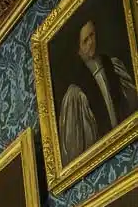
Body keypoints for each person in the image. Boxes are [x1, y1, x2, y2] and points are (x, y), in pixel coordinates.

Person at [58, 19, 138, 165]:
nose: (91, 43)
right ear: (78, 49)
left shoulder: (112, 65)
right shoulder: (75, 93)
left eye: (92, 35)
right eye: (85, 40)